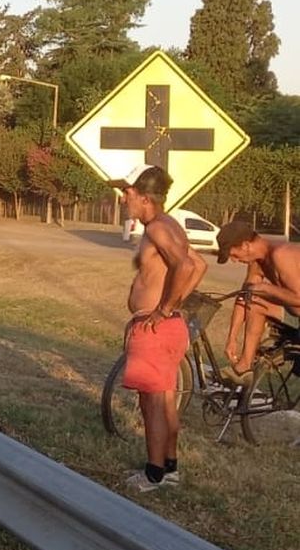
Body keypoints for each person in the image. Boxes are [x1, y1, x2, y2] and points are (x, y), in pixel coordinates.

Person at [113, 164, 205, 492]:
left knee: (151, 402)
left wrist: (164, 308)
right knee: (165, 400)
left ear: (145, 197)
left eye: (128, 192)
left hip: (155, 328)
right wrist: (174, 305)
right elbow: (199, 264)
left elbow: (184, 265)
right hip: (169, 327)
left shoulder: (156, 229)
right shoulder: (169, 225)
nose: (124, 198)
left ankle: (153, 474)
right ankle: (170, 467)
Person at [215, 220, 300, 387]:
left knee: (259, 293)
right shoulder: (258, 262)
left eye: (234, 255)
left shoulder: (280, 254)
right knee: (253, 299)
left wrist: (267, 288)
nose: (234, 261)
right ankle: (244, 366)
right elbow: (245, 297)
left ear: (246, 245)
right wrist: (231, 339)